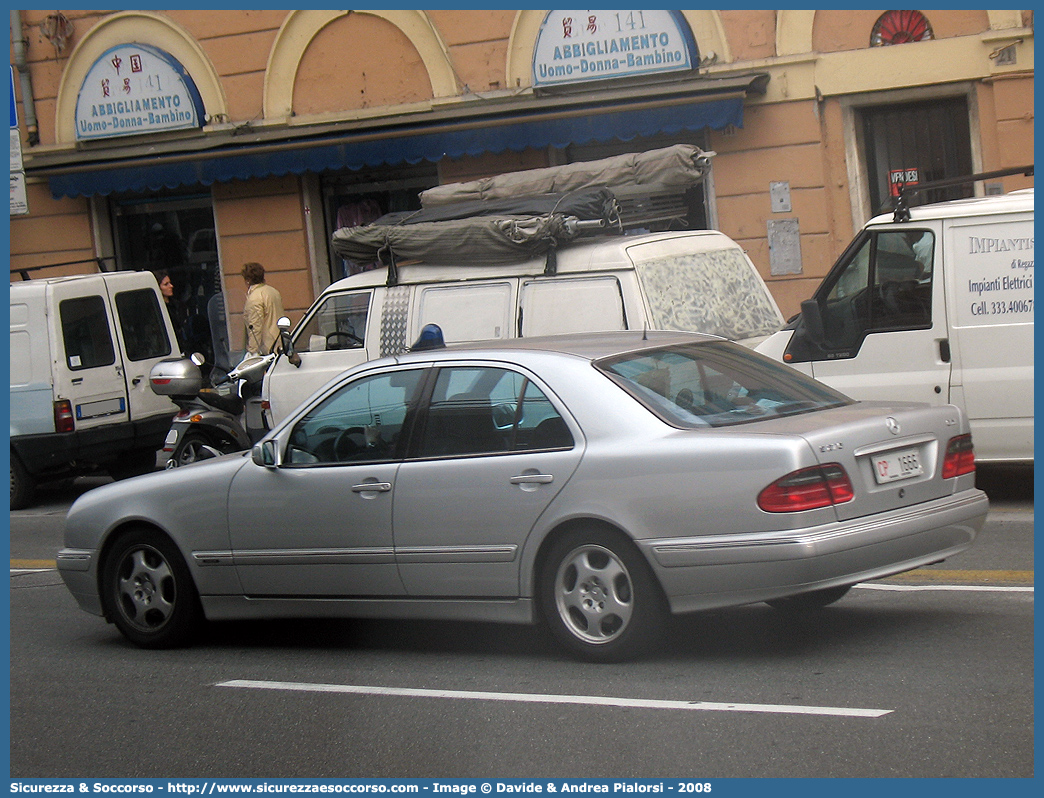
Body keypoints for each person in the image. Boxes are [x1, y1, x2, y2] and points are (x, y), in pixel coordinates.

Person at [241, 262, 285, 355]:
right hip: (280, 342)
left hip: (267, 348)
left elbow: (255, 327)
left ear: (247, 280)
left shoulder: (254, 298)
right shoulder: (273, 291)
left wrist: (252, 352)